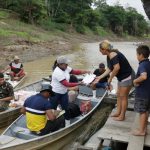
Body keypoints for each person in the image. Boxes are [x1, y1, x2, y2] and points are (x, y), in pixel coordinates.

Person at [94, 40, 135, 121]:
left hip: (127, 76)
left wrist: (110, 78)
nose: (99, 51)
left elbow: (117, 68)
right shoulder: (109, 55)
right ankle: (118, 112)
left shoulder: (113, 54)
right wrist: (99, 77)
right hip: (121, 77)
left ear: (104, 49)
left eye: (100, 49)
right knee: (119, 95)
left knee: (123, 97)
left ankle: (122, 116)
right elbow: (109, 68)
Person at [133, 45, 150, 136]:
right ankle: (144, 129)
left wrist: (135, 80)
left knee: (142, 112)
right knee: (146, 111)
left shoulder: (142, 65)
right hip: (148, 93)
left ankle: (141, 131)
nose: (136, 56)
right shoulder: (148, 63)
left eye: (137, 54)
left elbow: (144, 76)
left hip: (142, 94)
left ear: (141, 55)